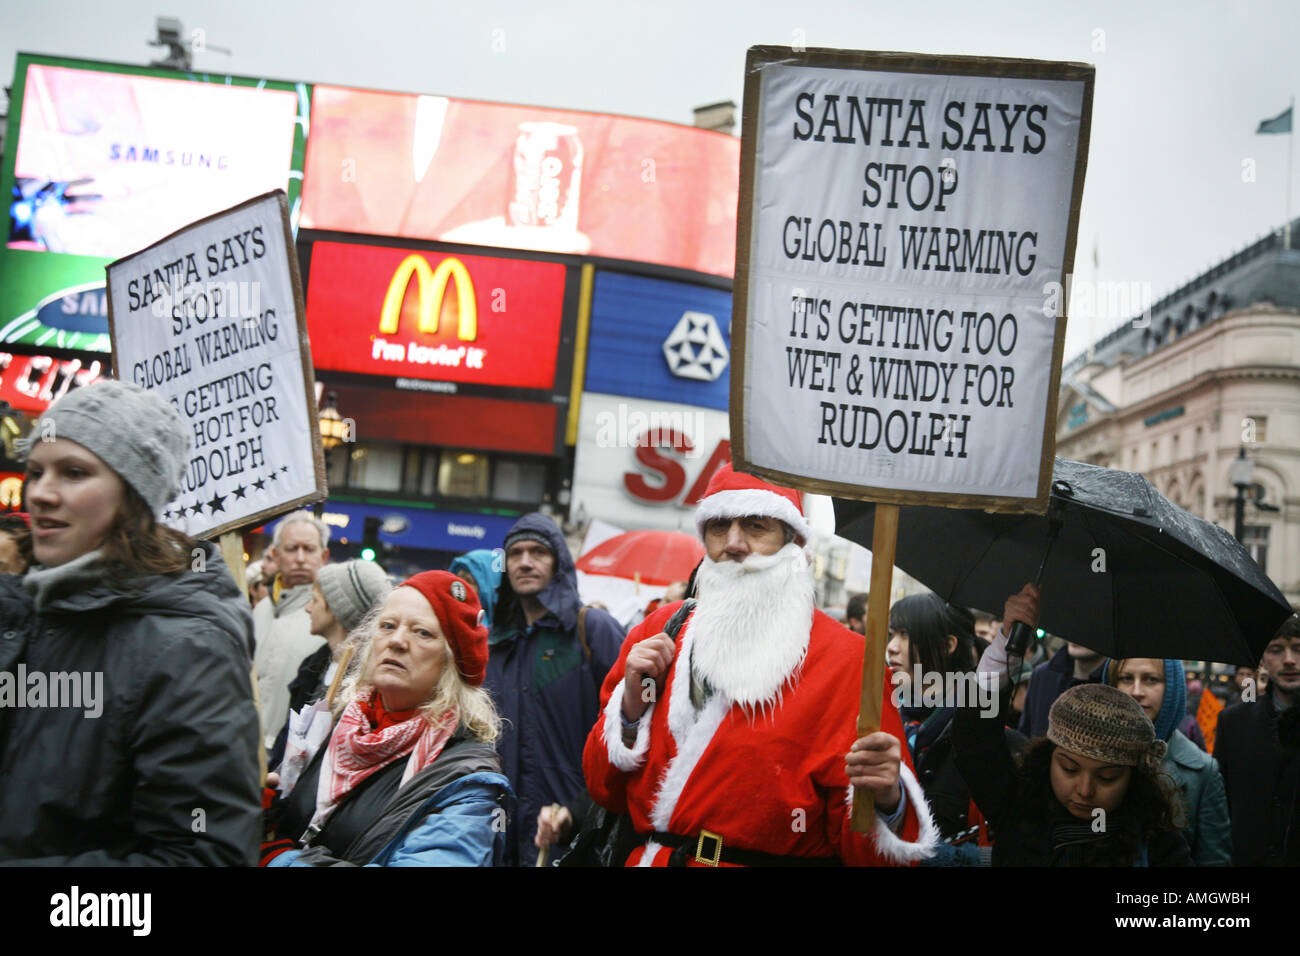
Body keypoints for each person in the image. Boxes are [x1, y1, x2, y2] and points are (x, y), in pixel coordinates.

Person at [582, 463, 938, 866]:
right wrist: (630, 710)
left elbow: (873, 856)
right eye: (718, 526)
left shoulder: (852, 662)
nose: (734, 543)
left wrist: (887, 798)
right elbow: (602, 789)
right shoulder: (655, 632)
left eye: (755, 526)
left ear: (791, 540)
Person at [0, 381, 260, 864]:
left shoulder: (187, 648)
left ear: (133, 496)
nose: (41, 493)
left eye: (74, 473)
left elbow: (203, 855)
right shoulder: (19, 609)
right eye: (35, 472)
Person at [265, 571, 511, 866]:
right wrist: (262, 811)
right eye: (388, 626)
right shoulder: (336, 725)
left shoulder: (467, 782)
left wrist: (282, 859)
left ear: (452, 662)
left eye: (422, 632)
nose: (397, 641)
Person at [954, 585, 1190, 866]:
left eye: (1107, 777)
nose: (1085, 790)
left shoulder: (1158, 842)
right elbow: (974, 741)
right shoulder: (1020, 806)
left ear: (1134, 778)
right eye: (1069, 769)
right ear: (1049, 758)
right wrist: (1007, 641)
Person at [486, 512, 623, 865]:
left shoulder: (593, 630)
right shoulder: (496, 647)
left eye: (538, 552)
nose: (525, 562)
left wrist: (579, 811)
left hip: (578, 839)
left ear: (558, 561)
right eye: (515, 554)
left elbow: (630, 735)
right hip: (502, 842)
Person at [888, 593, 1010, 865]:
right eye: (891, 634)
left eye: (906, 634)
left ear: (947, 645)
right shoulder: (884, 713)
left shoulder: (978, 729)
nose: (892, 647)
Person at [1103, 657, 1232, 865]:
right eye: (1126, 678)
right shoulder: (1086, 756)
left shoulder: (1202, 772)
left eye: (1151, 679)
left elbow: (1214, 860)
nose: (1136, 691)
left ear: (1172, 687)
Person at [268, 559, 392, 772]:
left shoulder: (365, 687)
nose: (307, 608)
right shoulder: (313, 666)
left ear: (337, 609)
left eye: (314, 600)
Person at [1214, 614, 1300, 866]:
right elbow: (1220, 806)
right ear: (1262, 659)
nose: (1289, 661)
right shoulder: (1234, 722)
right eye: (1276, 650)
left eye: (1298, 649)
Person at [253, 511, 330, 752]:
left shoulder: (330, 617)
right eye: (291, 548)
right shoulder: (260, 610)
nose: (300, 558)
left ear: (324, 556)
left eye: (308, 549)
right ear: (275, 554)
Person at [1019, 639, 1106, 738]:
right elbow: (1026, 735)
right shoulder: (1043, 675)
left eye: (1092, 626)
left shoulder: (1118, 681)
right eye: (1075, 623)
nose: (1079, 632)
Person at [449, 548, 501, 634]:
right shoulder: (444, 622)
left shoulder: (511, 637)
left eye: (469, 581)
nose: (461, 586)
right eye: (457, 580)